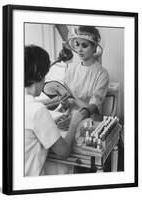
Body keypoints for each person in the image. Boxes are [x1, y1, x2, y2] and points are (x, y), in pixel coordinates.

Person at [24, 45, 83, 176]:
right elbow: (64, 151)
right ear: (39, 75)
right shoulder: (37, 110)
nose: (45, 79)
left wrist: (52, 120)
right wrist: (74, 122)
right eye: (45, 75)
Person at [61, 25, 109, 121]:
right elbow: (67, 98)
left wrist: (80, 116)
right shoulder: (71, 69)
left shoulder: (102, 74)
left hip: (89, 120)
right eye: (77, 44)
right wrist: (64, 103)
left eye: (84, 45)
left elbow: (95, 102)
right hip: (69, 117)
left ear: (94, 47)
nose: (79, 50)